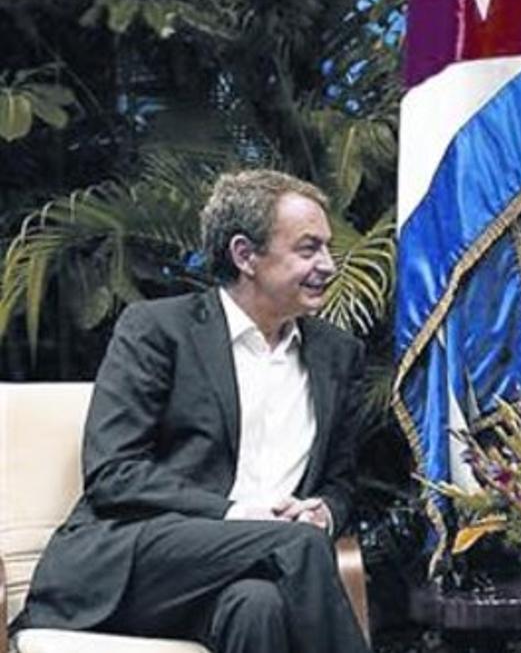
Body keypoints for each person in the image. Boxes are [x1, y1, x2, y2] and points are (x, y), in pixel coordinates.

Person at [14, 170, 372, 653]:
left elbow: (340, 482)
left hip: (256, 571)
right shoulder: (159, 331)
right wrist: (239, 513)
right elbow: (115, 474)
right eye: (308, 249)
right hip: (140, 561)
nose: (329, 264)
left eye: (327, 247)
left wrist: (324, 512)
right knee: (296, 545)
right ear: (245, 255)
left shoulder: (337, 354)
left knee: (257, 607)